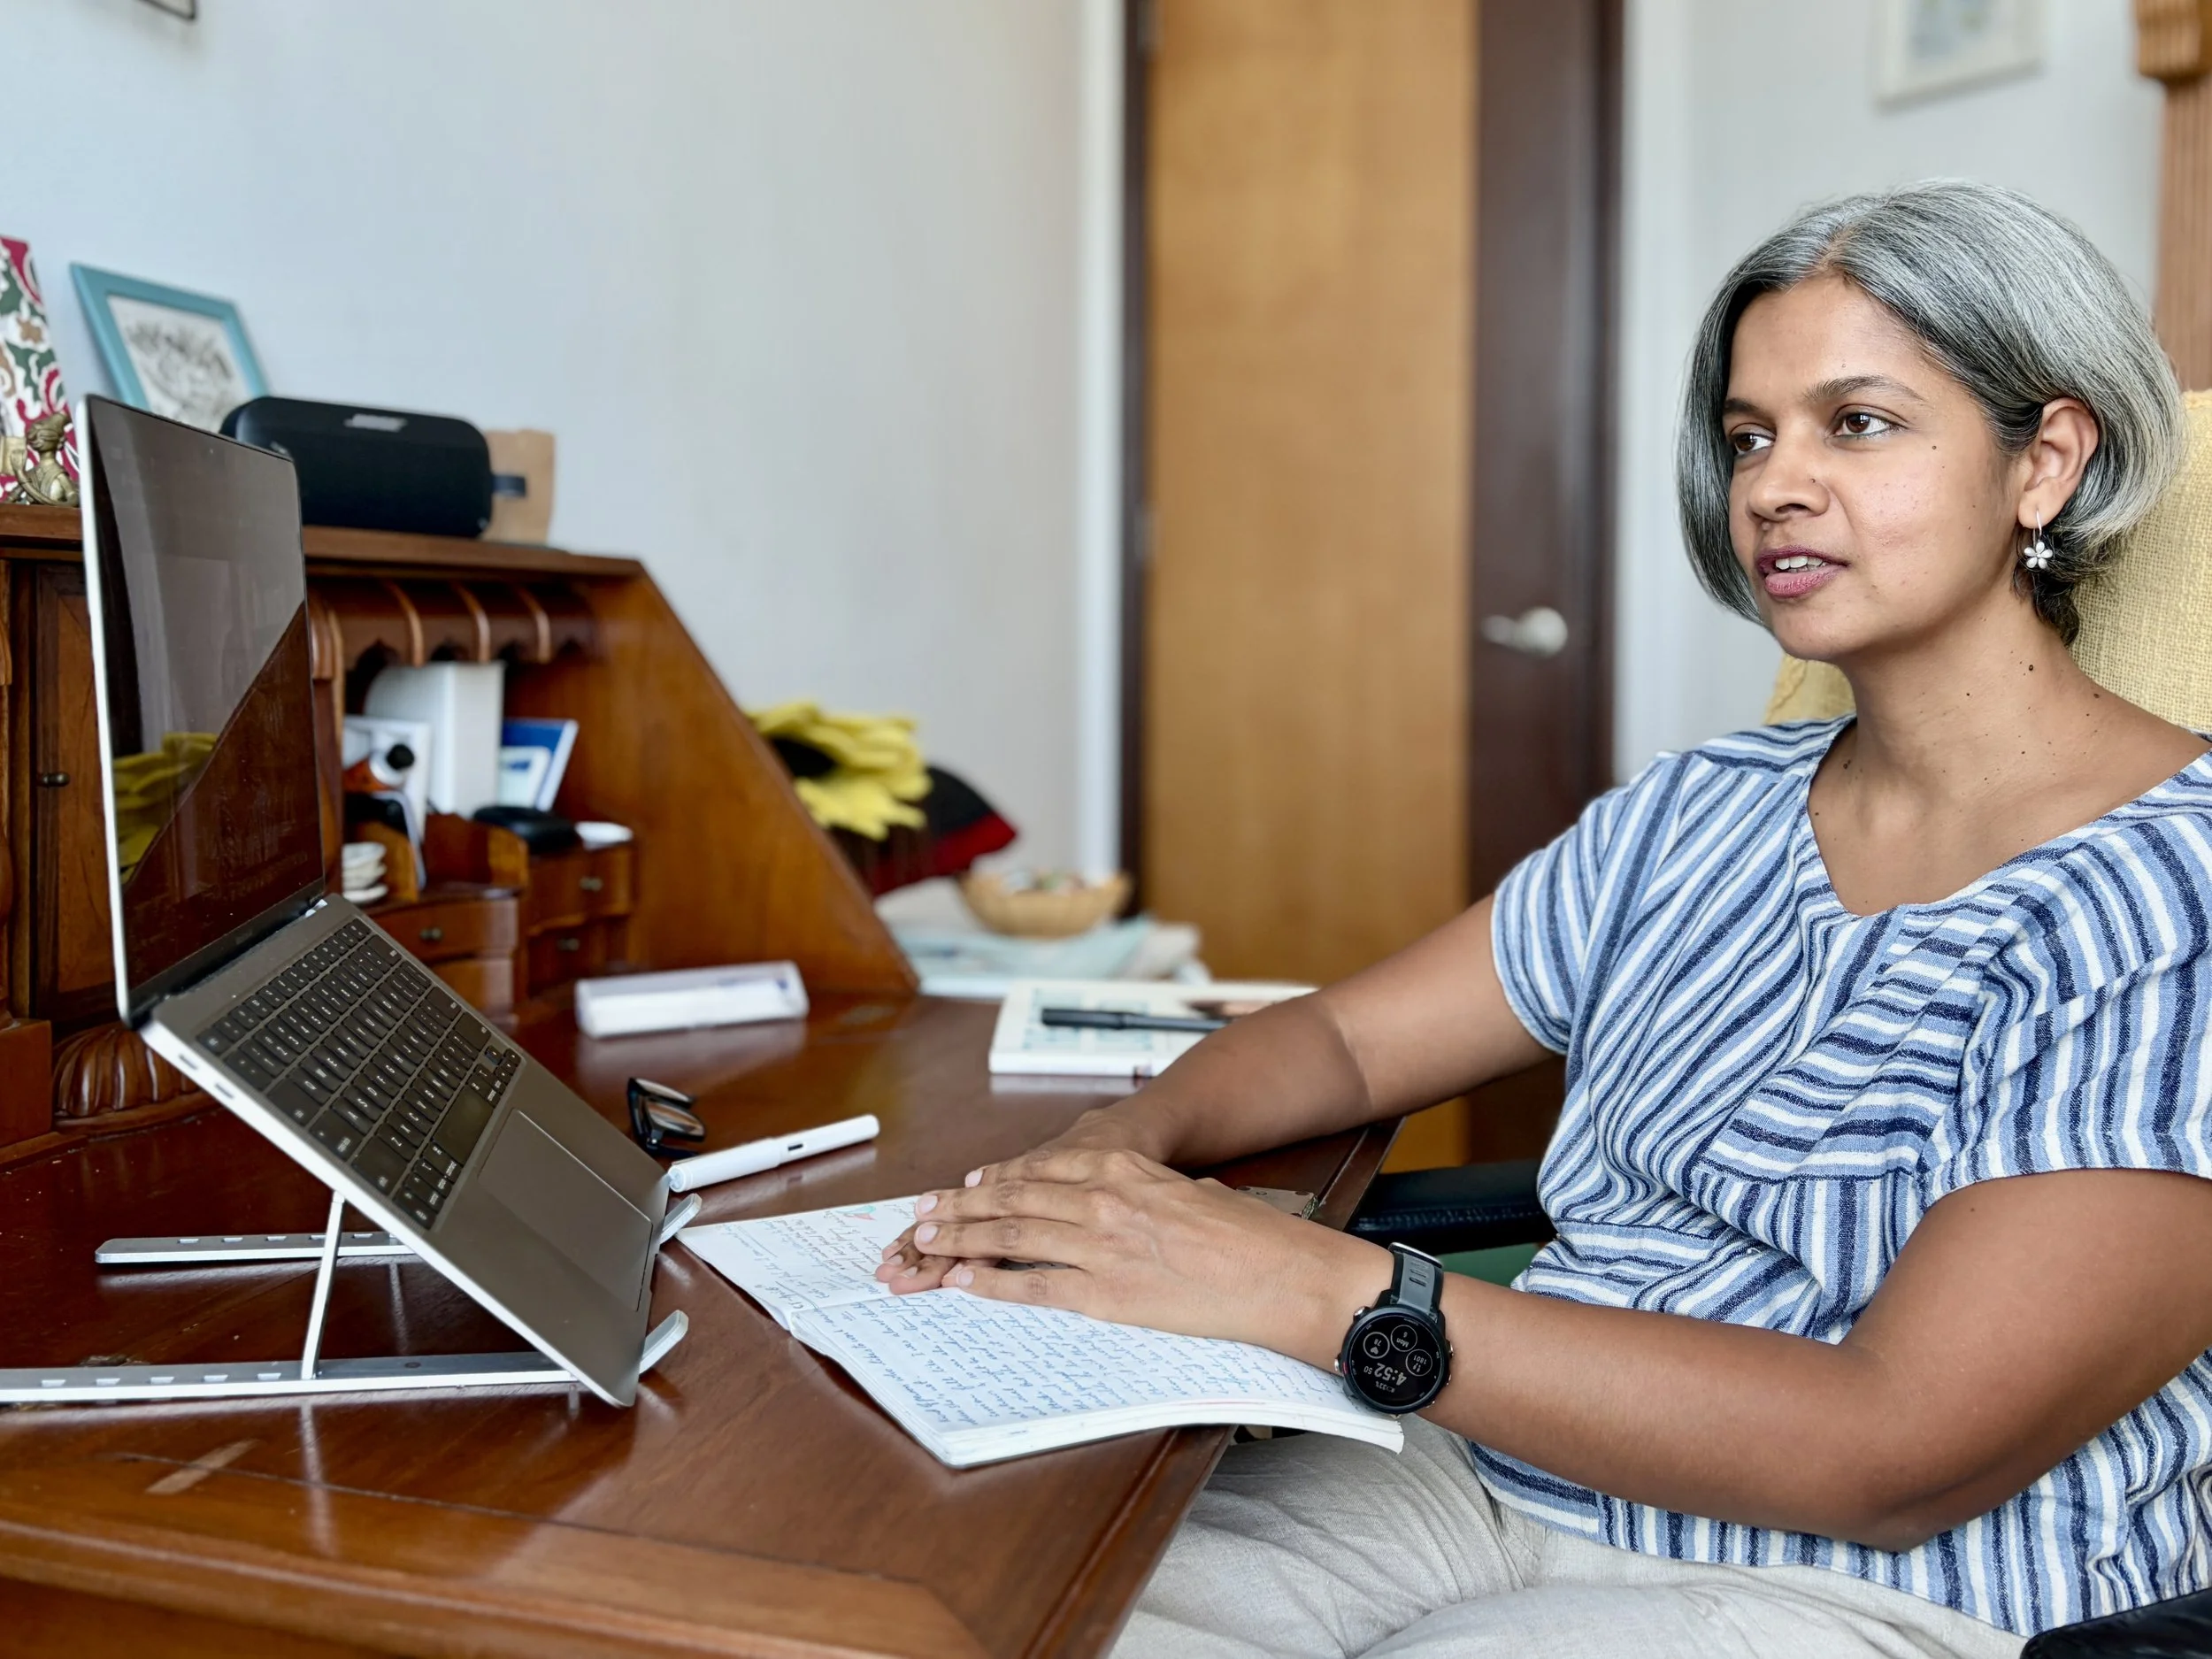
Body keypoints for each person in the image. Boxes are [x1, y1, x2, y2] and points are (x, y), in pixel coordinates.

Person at [879, 180, 2212, 1657]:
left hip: (1895, 1580)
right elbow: (1338, 1040)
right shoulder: (1698, 810)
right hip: (1512, 1469)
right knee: (1015, 1614)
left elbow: (1900, 1450)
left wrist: (1322, 1287)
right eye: (1749, 435)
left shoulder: (2169, 892)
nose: (1774, 484)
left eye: (1861, 422)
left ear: (2049, 462)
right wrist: (1102, 1159)